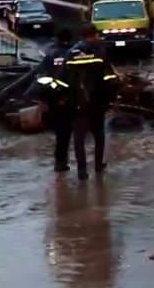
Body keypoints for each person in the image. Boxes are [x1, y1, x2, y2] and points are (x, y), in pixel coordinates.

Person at [63, 24, 119, 180]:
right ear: (93, 35)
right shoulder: (99, 53)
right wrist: (113, 99)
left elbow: (63, 80)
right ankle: (98, 166)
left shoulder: (71, 54)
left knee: (79, 139)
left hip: (76, 103)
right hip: (97, 102)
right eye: (97, 35)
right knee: (99, 135)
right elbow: (110, 79)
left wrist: (63, 99)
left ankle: (82, 172)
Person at [33, 28, 74, 172]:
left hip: (55, 99)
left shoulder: (51, 55)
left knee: (60, 134)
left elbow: (42, 78)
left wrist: (43, 100)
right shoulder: (75, 54)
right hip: (74, 99)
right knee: (76, 133)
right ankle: (85, 166)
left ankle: (60, 163)